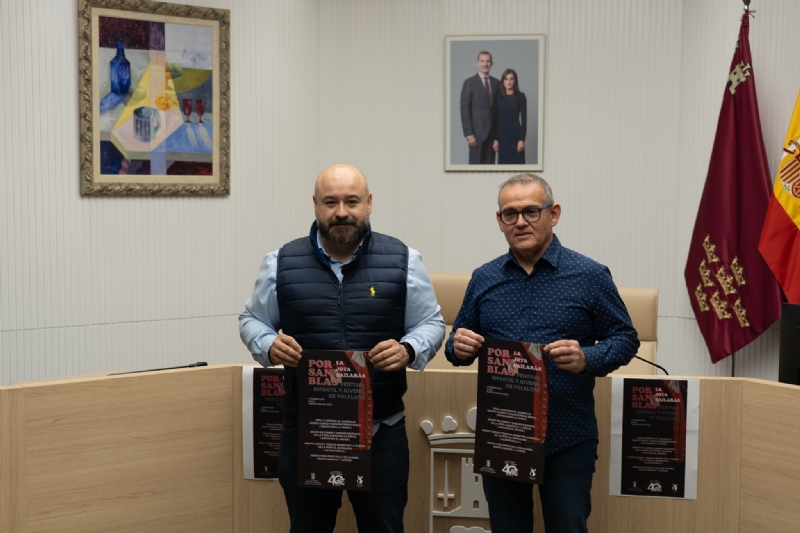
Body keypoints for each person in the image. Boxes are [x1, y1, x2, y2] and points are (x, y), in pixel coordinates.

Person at [239, 164, 445, 533]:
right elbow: (252, 319)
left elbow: (430, 322)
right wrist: (268, 344)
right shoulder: (280, 263)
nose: (341, 212)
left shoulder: (404, 260)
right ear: (315, 205)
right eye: (330, 202)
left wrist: (409, 349)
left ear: (369, 203)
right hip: (306, 433)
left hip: (382, 431)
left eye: (352, 201)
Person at [445, 173, 639, 533]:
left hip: (567, 437)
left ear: (554, 214)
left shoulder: (590, 275)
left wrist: (587, 358)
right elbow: (457, 343)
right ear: (499, 221)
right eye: (509, 214)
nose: (520, 222)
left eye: (532, 211)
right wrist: (457, 346)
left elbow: (625, 338)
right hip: (503, 435)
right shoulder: (484, 278)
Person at [460, 51, 502, 164]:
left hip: (492, 136)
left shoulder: (497, 83)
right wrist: (469, 134)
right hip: (476, 136)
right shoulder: (469, 83)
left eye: (488, 61)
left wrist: (498, 137)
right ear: (477, 63)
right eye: (482, 61)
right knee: (475, 169)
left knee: (490, 168)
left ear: (492, 63)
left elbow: (499, 112)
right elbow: (465, 110)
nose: (485, 64)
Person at [492, 69, 527, 164]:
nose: (509, 82)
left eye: (511, 79)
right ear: (503, 81)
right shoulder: (499, 98)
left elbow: (524, 121)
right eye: (506, 79)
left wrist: (521, 139)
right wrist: (496, 139)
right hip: (502, 137)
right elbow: (497, 120)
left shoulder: (520, 96)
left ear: (515, 81)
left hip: (515, 136)